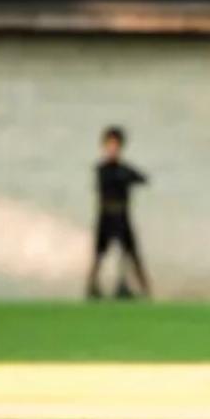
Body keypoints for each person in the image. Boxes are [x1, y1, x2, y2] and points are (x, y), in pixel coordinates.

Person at [87, 126, 151, 299]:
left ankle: (144, 290)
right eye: (110, 144)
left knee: (131, 253)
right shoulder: (102, 169)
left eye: (115, 144)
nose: (112, 148)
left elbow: (142, 178)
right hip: (106, 215)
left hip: (122, 216)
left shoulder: (124, 169)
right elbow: (106, 183)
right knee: (99, 254)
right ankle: (92, 288)